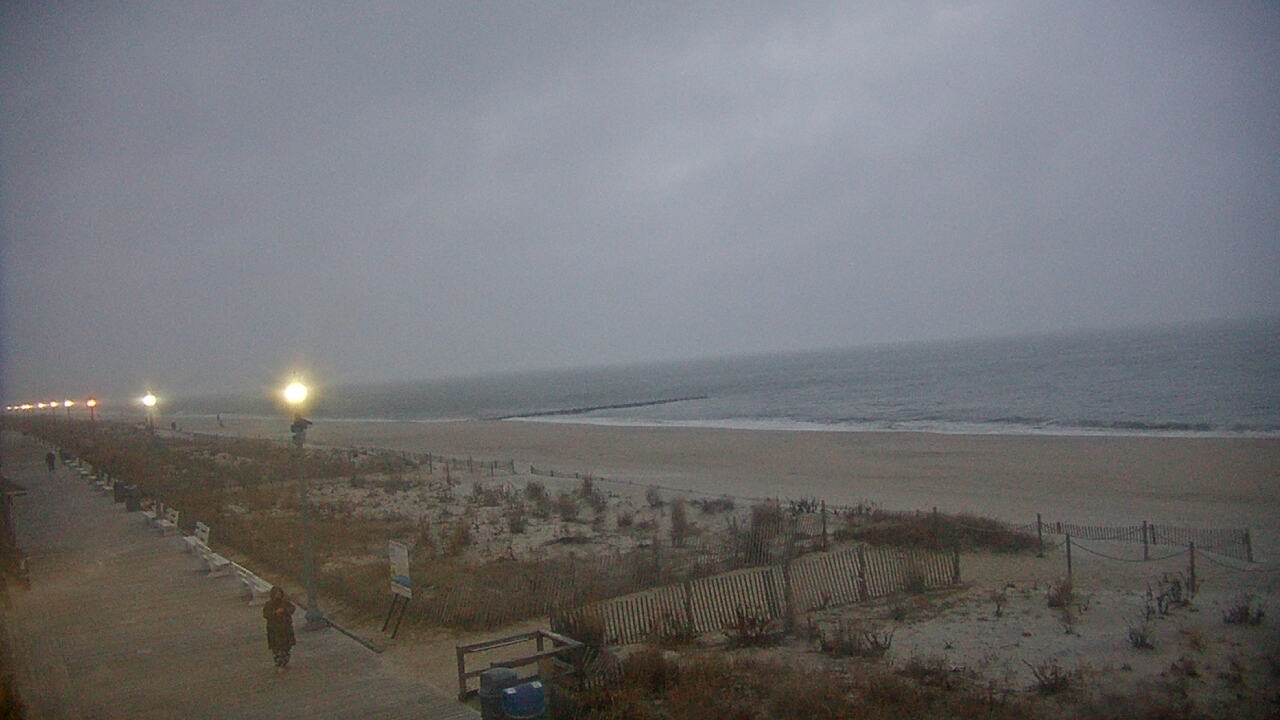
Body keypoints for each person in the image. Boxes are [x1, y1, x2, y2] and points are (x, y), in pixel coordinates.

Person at [262, 586, 297, 669]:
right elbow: (266, 614)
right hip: (274, 629)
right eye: (276, 594)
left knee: (286, 644)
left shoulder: (285, 603)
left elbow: (292, 608)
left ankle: (284, 656)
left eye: (279, 594)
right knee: (276, 645)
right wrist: (275, 613)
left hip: (286, 628)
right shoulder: (269, 604)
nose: (278, 596)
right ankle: (278, 657)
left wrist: (284, 610)